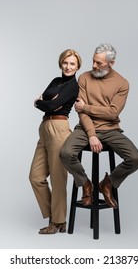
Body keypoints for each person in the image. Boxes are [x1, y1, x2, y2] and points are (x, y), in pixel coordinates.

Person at [60, 43, 138, 209]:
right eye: (93, 61)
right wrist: (91, 134)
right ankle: (86, 184)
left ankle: (107, 183)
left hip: (111, 129)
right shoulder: (83, 77)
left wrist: (87, 107)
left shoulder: (122, 83)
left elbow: (112, 113)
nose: (94, 65)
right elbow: (81, 112)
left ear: (111, 63)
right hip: (85, 128)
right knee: (65, 153)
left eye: (99, 63)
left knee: (136, 159)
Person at [29, 49, 82, 234]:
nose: (68, 67)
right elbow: (49, 102)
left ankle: (58, 222)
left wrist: (38, 103)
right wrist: (47, 103)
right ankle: (55, 215)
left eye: (72, 64)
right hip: (44, 128)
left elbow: (48, 104)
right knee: (35, 177)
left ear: (77, 66)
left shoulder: (74, 85)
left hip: (59, 129)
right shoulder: (55, 81)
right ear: (61, 63)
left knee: (58, 179)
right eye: (65, 63)